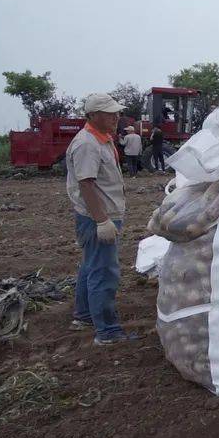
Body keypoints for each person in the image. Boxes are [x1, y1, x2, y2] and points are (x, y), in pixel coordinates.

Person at [66, 93, 136, 345]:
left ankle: (84, 315)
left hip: (99, 215)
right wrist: (102, 221)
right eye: (110, 113)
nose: (116, 117)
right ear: (93, 116)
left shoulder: (102, 139)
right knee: (104, 271)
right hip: (97, 217)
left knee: (90, 266)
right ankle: (107, 332)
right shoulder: (87, 144)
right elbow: (86, 184)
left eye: (117, 112)